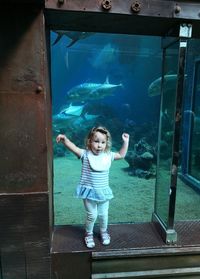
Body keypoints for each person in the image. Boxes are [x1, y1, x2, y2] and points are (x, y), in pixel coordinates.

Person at [56, 126, 129, 249]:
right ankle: (88, 234)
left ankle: (103, 232)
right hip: (89, 192)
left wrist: (125, 142)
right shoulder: (84, 154)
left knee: (103, 214)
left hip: (103, 193)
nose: (99, 145)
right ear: (90, 141)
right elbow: (73, 147)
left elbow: (121, 155)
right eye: (96, 141)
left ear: (107, 143)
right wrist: (64, 139)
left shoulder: (109, 155)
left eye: (103, 142)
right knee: (92, 215)